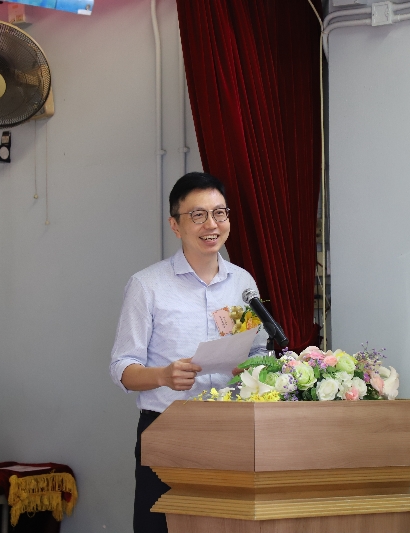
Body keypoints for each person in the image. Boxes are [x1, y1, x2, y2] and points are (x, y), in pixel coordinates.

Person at [110, 172, 267, 533]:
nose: (211, 224)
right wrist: (163, 376)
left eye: (220, 213)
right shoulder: (147, 285)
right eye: (198, 215)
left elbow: (259, 348)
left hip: (232, 431)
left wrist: (253, 368)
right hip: (168, 429)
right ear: (175, 225)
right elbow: (122, 367)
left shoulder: (243, 283)